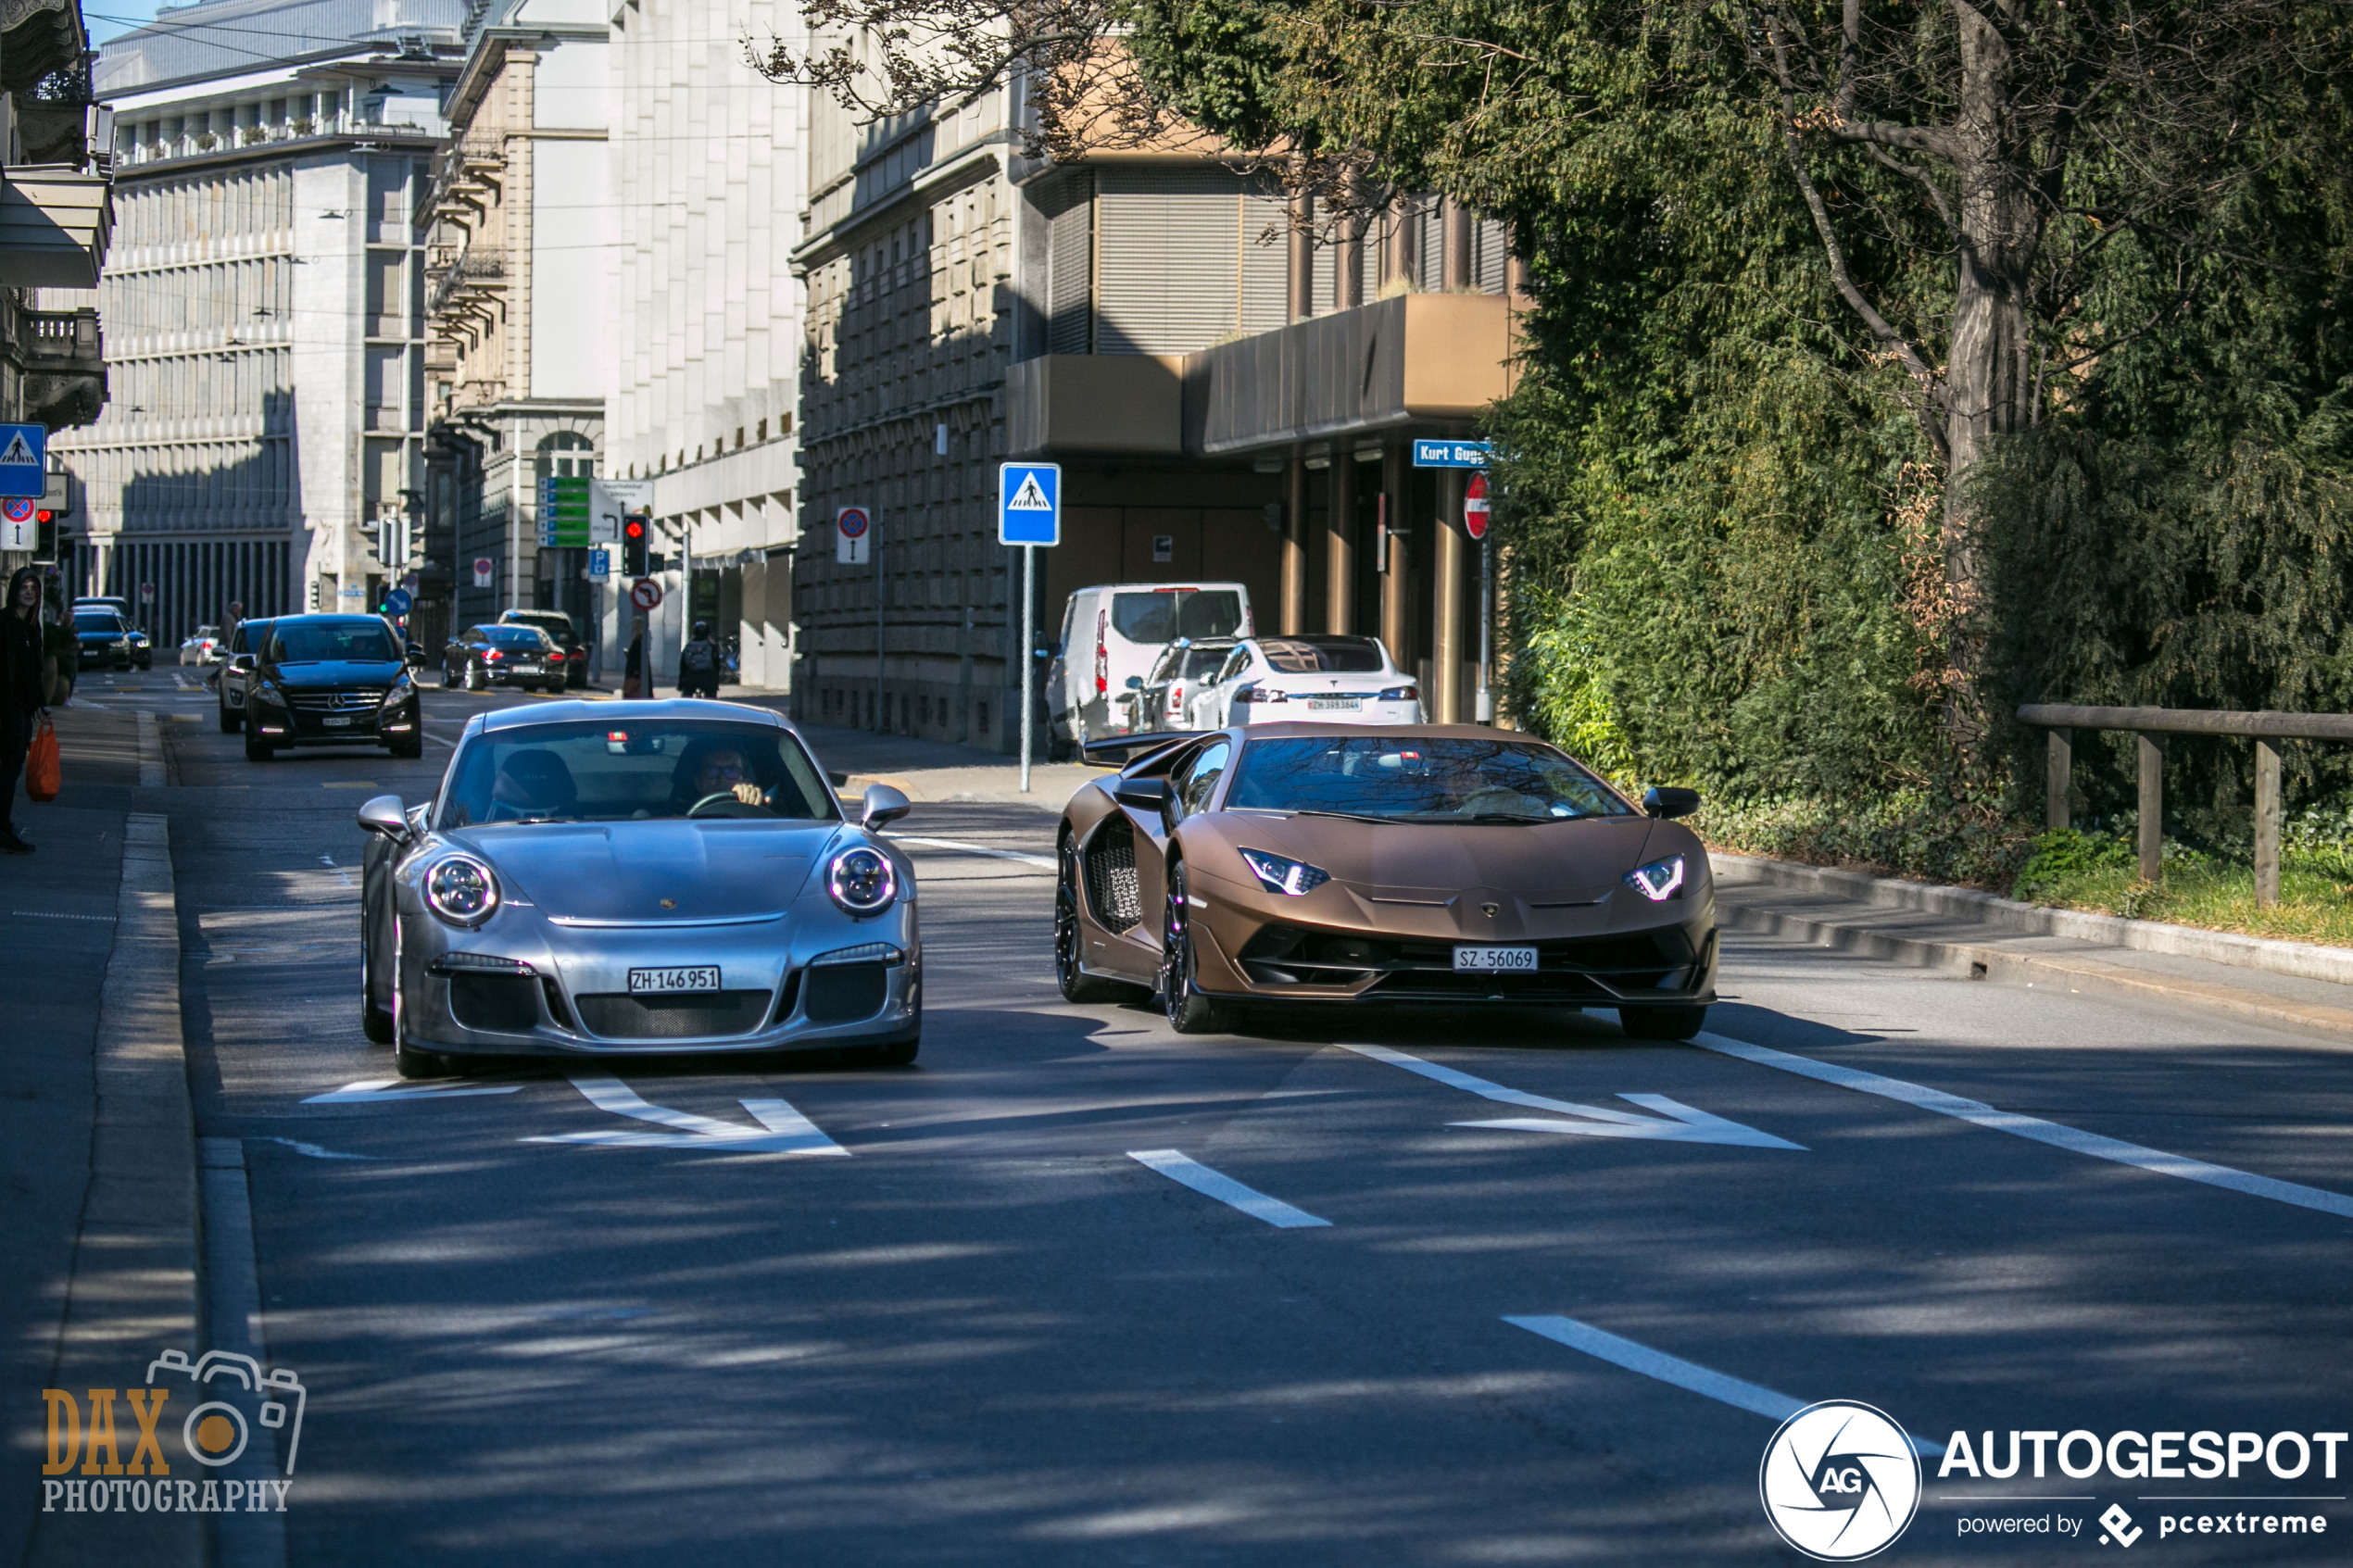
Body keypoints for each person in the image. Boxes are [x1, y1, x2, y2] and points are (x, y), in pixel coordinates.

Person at [1, 567, 51, 853]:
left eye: (34, 588)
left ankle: (3, 826)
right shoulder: (5, 622)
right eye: (24, 587)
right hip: (7, 705)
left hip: (21, 706)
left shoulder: (33, 626)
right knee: (9, 766)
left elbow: (34, 671)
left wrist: (41, 704)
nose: (29, 592)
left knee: (13, 765)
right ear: (15, 591)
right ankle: (3, 829)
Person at [678, 620, 721, 698]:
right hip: (708, 677)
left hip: (691, 677)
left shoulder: (689, 646)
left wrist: (681, 684)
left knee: (686, 698)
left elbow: (683, 666)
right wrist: (716, 682)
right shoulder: (712, 646)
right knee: (711, 699)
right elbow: (717, 665)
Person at [623, 626, 645, 700]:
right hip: (634, 672)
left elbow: (636, 657)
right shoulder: (639, 640)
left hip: (634, 674)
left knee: (632, 692)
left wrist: (636, 672)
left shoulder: (637, 641)